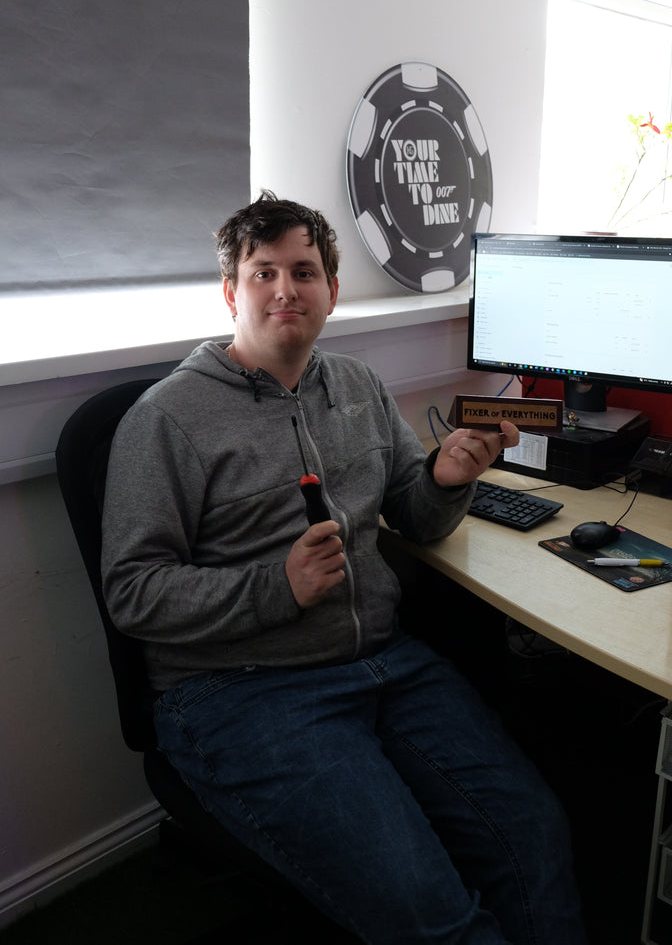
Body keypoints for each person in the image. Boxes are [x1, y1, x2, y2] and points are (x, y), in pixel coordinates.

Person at [101, 191, 588, 945]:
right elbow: (133, 593)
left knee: (534, 834)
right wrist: (277, 587)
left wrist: (446, 481)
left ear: (331, 289)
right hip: (244, 690)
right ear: (231, 293)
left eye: (304, 272)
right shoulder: (166, 419)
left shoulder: (357, 385)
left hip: (385, 663)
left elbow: (417, 520)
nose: (285, 290)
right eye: (263, 273)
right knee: (427, 908)